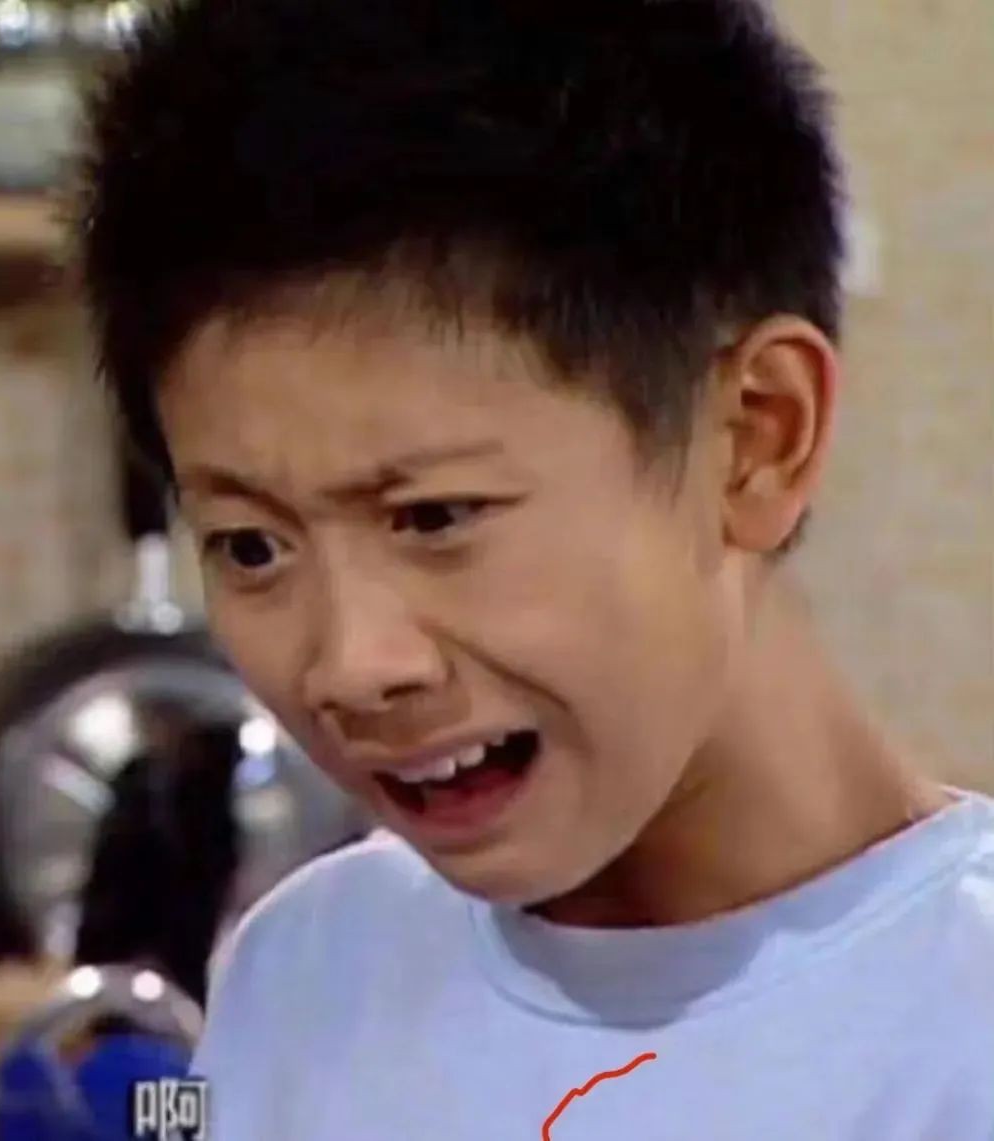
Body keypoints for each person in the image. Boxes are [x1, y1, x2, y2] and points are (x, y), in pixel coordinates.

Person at [76, 1, 994, 1136]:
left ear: (757, 437)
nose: (353, 665)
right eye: (253, 546)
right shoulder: (306, 972)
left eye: (435, 516)